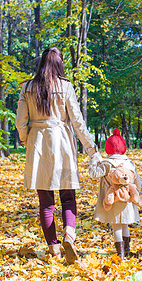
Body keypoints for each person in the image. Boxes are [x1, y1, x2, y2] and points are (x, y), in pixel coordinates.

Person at [15, 46, 102, 264]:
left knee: (45, 201)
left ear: (41, 63)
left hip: (38, 143)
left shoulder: (27, 87)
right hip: (62, 142)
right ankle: (69, 236)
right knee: (68, 196)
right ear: (59, 64)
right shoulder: (66, 87)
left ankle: (54, 248)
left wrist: (26, 141)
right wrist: (92, 150)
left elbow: (20, 122)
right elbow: (78, 122)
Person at [88, 129, 142, 258]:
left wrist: (93, 161)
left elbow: (93, 174)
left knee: (116, 225)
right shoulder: (130, 163)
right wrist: (136, 194)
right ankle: (127, 251)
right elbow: (137, 180)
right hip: (127, 199)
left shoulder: (107, 164)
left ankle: (120, 254)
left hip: (113, 199)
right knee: (125, 225)